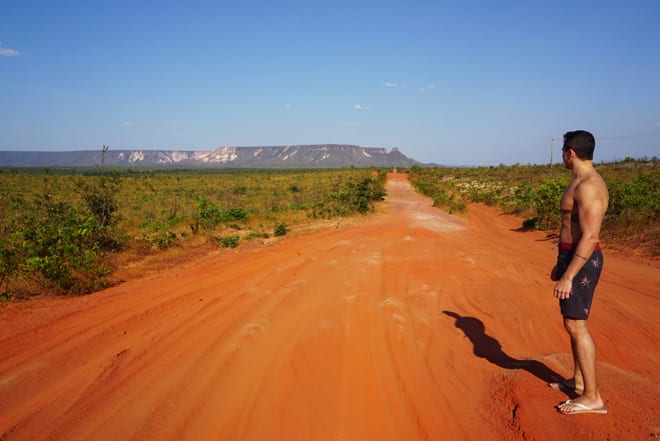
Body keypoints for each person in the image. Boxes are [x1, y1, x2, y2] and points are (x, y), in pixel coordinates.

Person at [549, 130, 609, 415]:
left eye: (563, 150)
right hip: (571, 256)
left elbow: (590, 236)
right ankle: (578, 379)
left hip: (582, 260)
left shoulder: (588, 186)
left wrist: (569, 275)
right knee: (571, 323)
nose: (562, 155)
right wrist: (561, 261)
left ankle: (593, 397)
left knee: (576, 324)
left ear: (570, 152)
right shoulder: (578, 181)